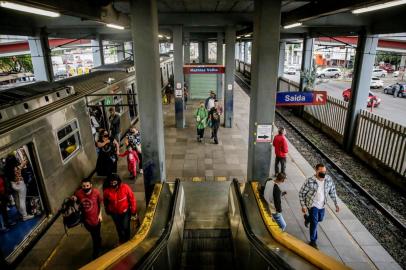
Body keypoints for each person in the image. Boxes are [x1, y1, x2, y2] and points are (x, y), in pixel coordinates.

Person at [299, 164, 339, 249]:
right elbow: (301, 193)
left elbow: (332, 191)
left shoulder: (328, 179)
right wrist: (303, 206)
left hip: (322, 205)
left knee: (320, 219)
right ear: (316, 171)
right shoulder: (309, 181)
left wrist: (336, 203)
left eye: (324, 171)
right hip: (312, 205)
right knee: (314, 222)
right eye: (321, 171)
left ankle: (307, 219)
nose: (323, 173)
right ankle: (313, 241)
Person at [103, 174, 137, 244]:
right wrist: (107, 210)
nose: (113, 184)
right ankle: (121, 239)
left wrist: (133, 210)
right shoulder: (106, 191)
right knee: (118, 227)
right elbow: (105, 201)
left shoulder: (125, 187)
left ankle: (127, 240)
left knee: (125, 226)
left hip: (125, 211)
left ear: (118, 181)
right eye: (111, 183)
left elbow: (132, 198)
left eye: (114, 182)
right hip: (114, 213)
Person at [74, 179, 102, 259]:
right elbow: (76, 200)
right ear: (81, 186)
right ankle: (98, 243)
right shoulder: (78, 193)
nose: (85, 187)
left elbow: (100, 203)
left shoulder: (96, 193)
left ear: (91, 185)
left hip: (96, 220)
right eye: (83, 186)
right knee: (95, 235)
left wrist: (100, 215)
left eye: (87, 186)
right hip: (86, 221)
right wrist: (74, 198)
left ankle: (96, 252)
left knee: (95, 236)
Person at [4, 155, 34, 221]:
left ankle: (21, 214)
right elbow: (25, 162)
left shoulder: (7, 169)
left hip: (13, 185)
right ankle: (25, 216)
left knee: (17, 200)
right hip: (20, 184)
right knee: (22, 201)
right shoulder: (17, 167)